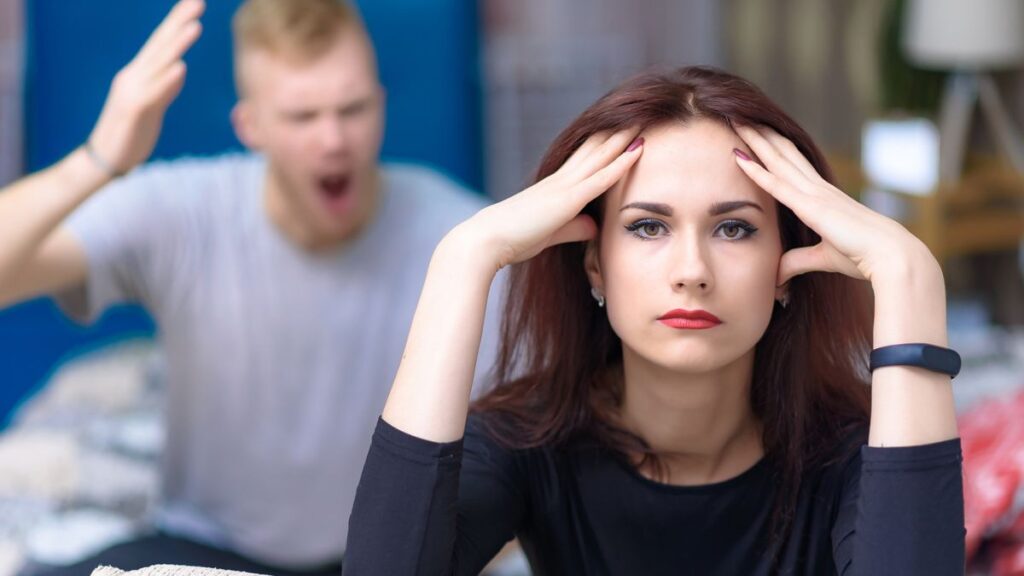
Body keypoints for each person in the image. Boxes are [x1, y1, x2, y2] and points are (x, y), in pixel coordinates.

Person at [345, 66, 966, 575]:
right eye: (648, 226)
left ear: (789, 260)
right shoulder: (528, 440)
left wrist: (908, 272)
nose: (691, 270)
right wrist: (463, 260)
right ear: (595, 265)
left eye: (734, 228)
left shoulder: (855, 450)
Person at [0, 0, 499, 573]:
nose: (334, 139)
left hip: (384, 559)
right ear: (250, 126)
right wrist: (96, 161)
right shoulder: (183, 212)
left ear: (382, 105)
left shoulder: (464, 240)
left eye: (353, 109)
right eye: (302, 116)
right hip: (202, 549)